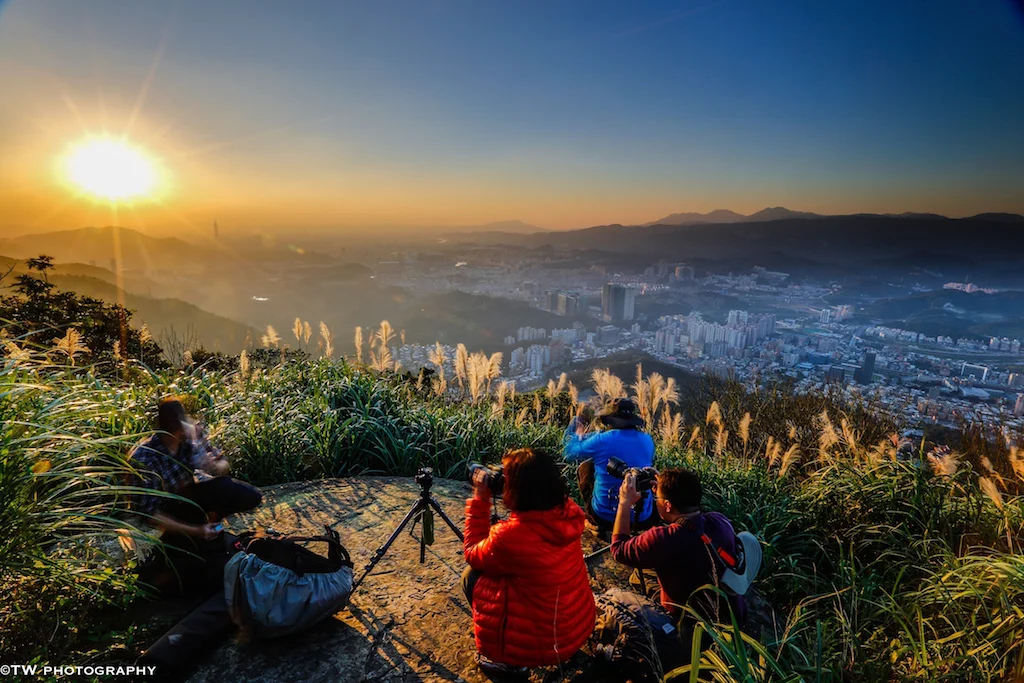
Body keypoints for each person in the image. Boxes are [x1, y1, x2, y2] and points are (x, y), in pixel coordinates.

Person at [462, 448, 596, 674]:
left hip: (543, 647)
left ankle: (511, 661)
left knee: (471, 576)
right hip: (574, 630)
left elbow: (472, 553)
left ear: (518, 490)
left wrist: (480, 500)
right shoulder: (568, 511)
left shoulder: (512, 535)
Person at [130, 396, 262, 596]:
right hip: (166, 514)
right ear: (173, 430)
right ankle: (190, 544)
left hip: (189, 501)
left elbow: (223, 464)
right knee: (198, 572)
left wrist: (214, 466)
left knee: (246, 494)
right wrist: (196, 531)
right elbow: (149, 514)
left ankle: (208, 531)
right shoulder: (144, 457)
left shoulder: (190, 438)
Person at [611, 468, 747, 630]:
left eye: (658, 498)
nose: (656, 500)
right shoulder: (720, 521)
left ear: (668, 505)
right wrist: (666, 487)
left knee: (636, 577)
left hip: (691, 624)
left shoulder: (664, 539)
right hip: (733, 616)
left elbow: (618, 549)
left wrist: (624, 502)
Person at [563, 397, 656, 534]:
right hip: (642, 518)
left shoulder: (601, 440)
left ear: (608, 419)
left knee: (586, 467)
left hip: (604, 517)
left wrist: (576, 425)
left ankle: (592, 521)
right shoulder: (647, 440)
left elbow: (569, 451)